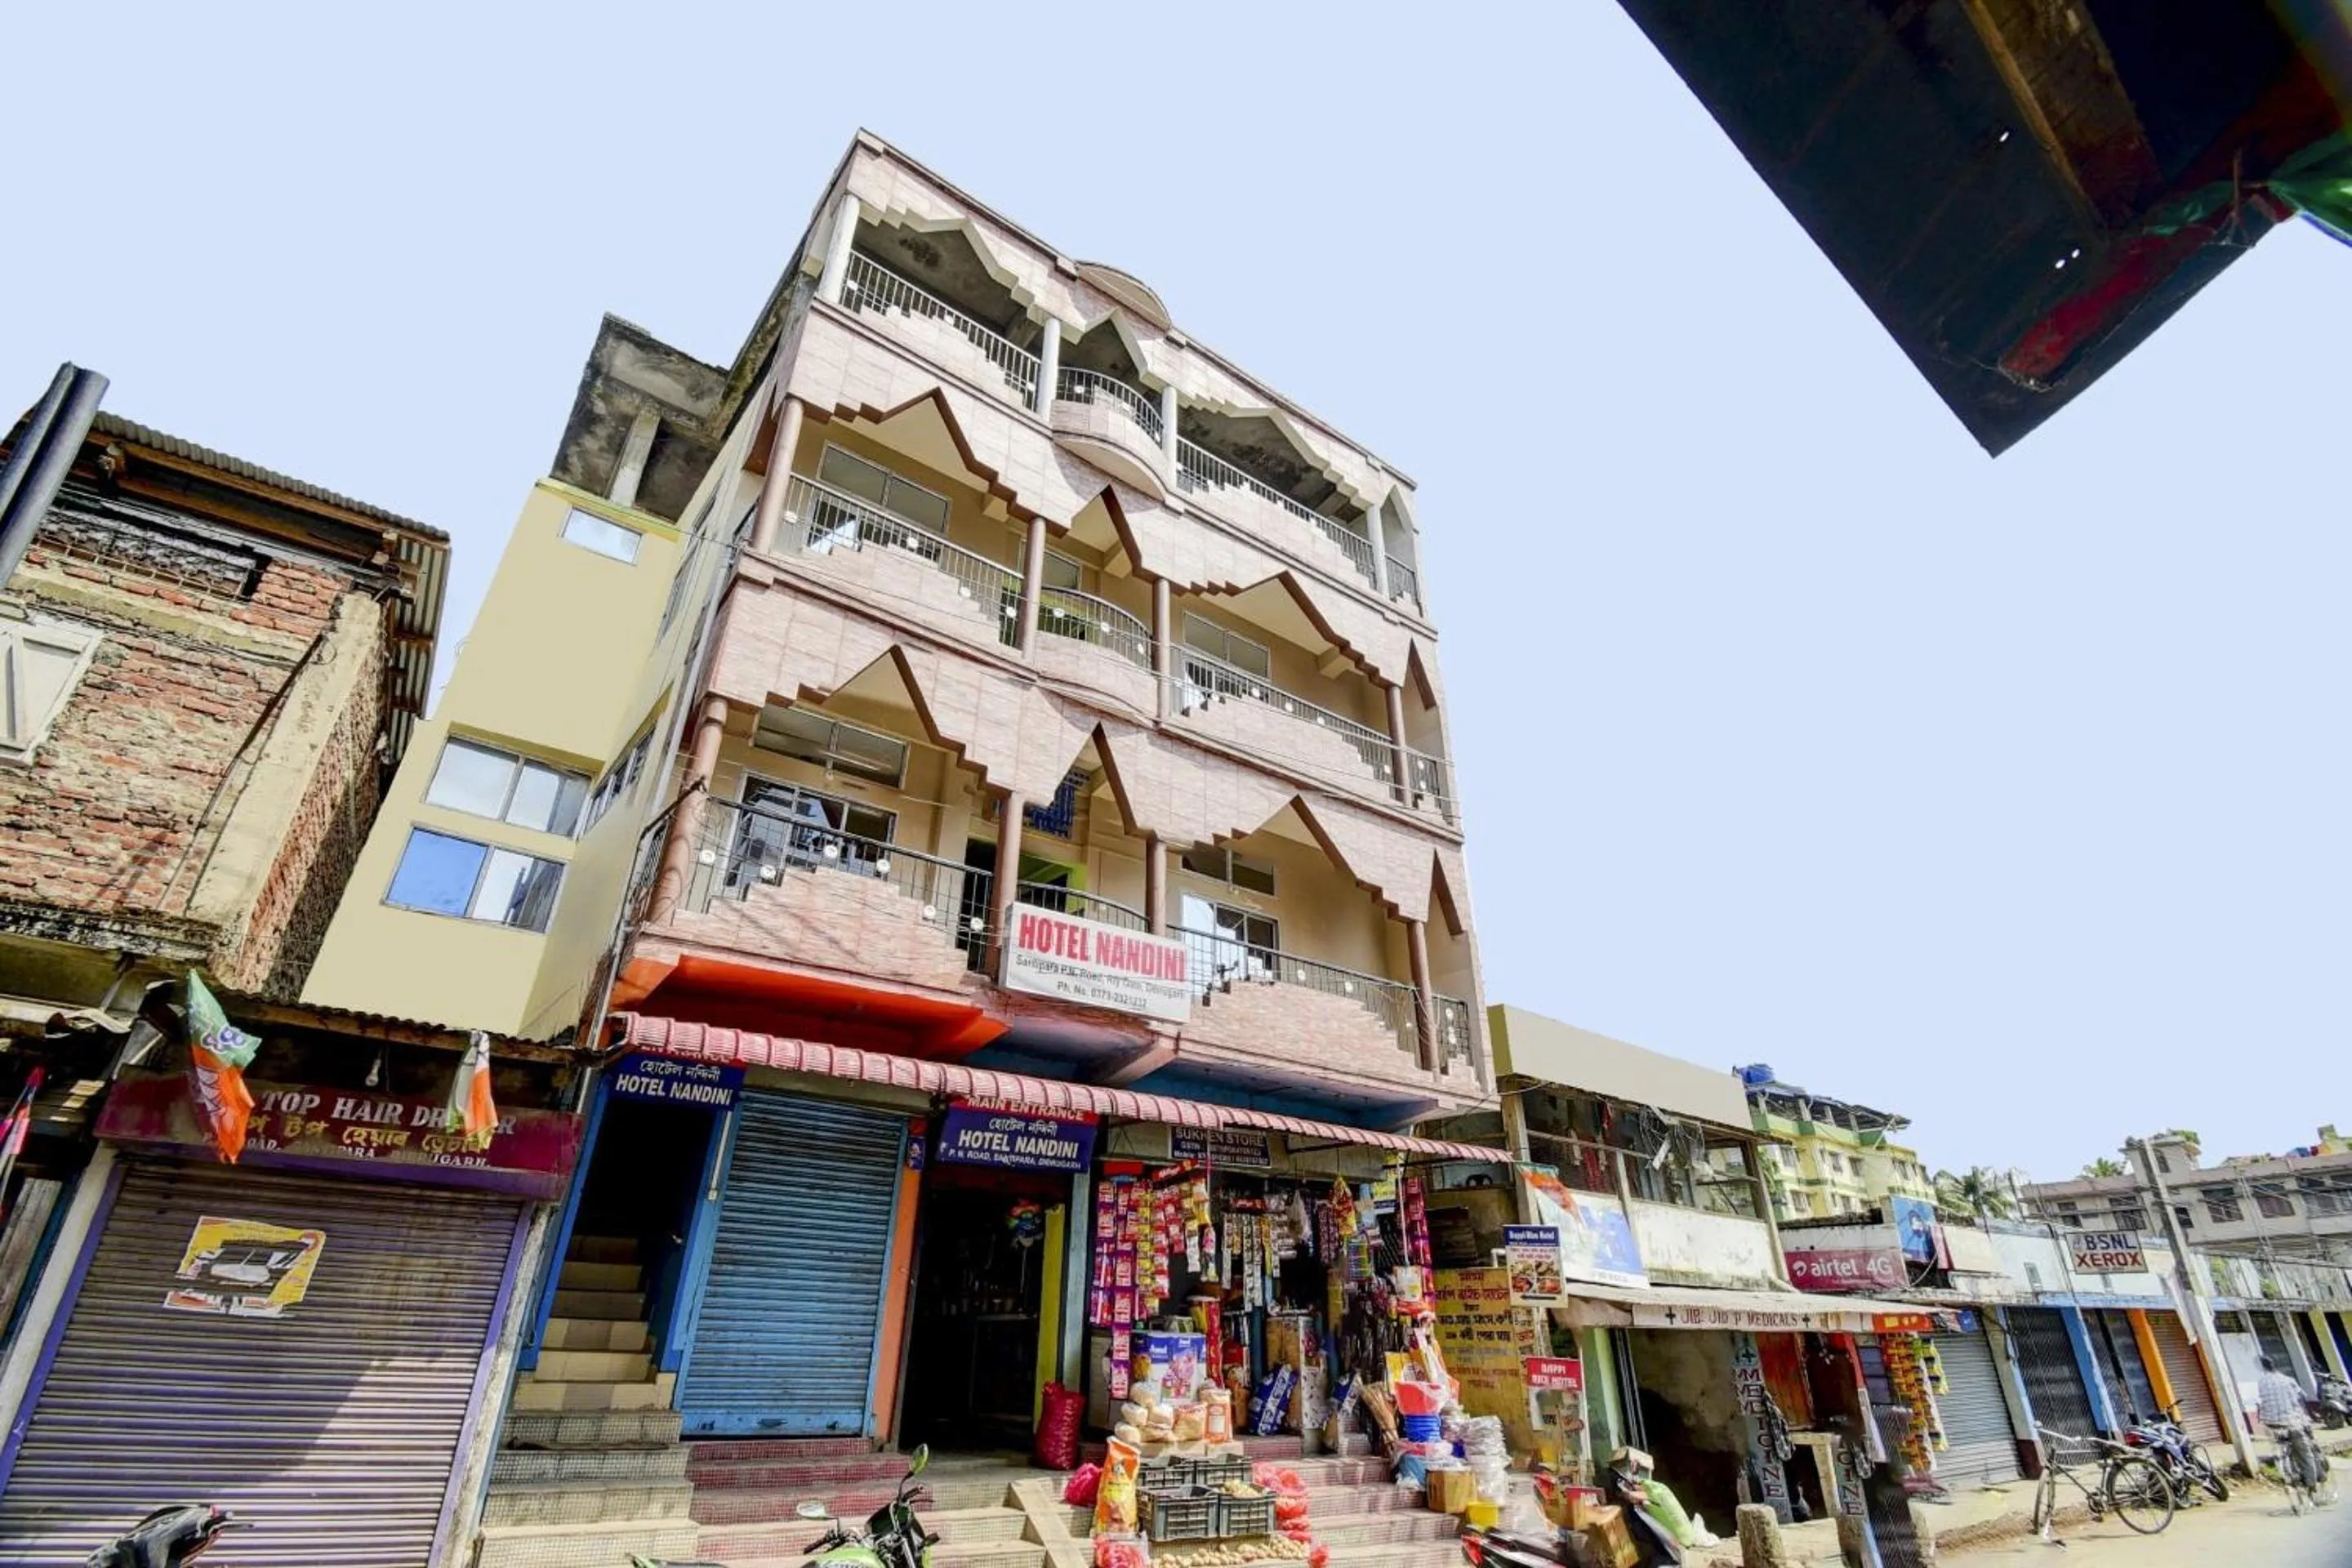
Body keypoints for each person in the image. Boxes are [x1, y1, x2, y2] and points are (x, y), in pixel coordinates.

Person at [2256, 1356, 2323, 1493]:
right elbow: (2301, 1398)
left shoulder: (2261, 1382)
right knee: (2306, 1451)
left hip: (2271, 1425)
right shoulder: (2287, 1380)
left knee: (2283, 1445)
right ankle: (2312, 1482)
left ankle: (2289, 1469)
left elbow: (2260, 1403)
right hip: (2292, 1422)